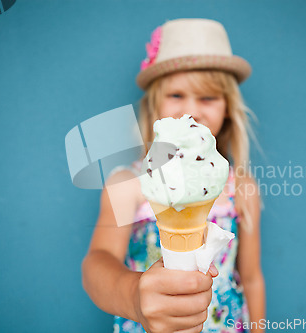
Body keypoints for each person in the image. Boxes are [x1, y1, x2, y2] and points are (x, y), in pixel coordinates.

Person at [82, 18, 265, 333]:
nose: (191, 110)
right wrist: (134, 297)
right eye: (176, 95)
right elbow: (96, 263)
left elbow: (251, 277)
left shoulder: (242, 187)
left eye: (208, 97)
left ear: (227, 109)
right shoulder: (129, 185)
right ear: (154, 106)